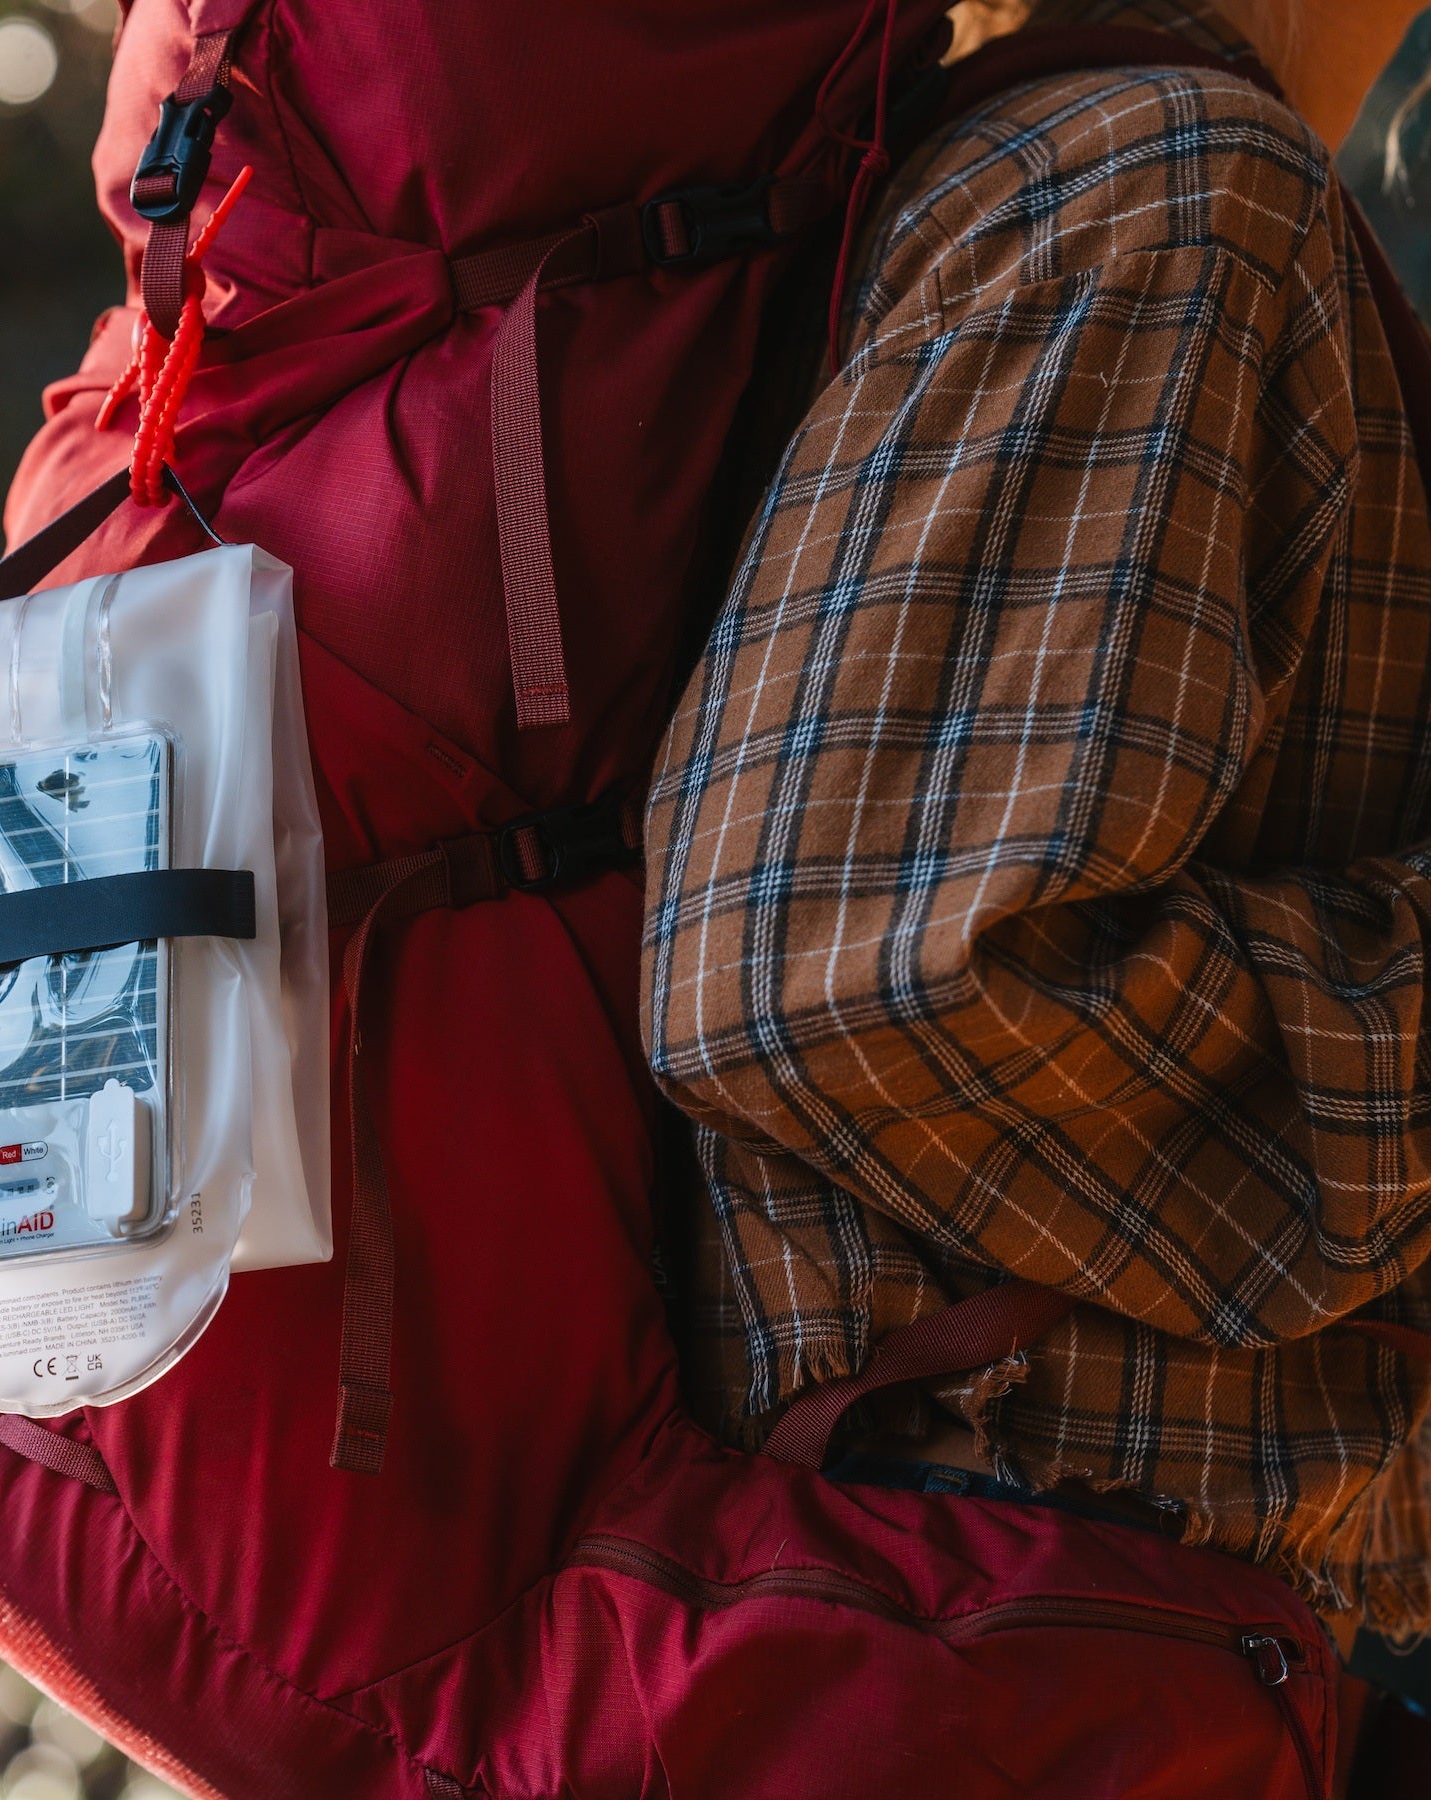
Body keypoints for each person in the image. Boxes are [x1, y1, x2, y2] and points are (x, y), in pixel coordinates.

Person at [646, 0, 1431, 1668]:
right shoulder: (1167, 188)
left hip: (1124, 1636)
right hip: (1014, 1628)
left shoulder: (1138, 180)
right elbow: (850, 981)